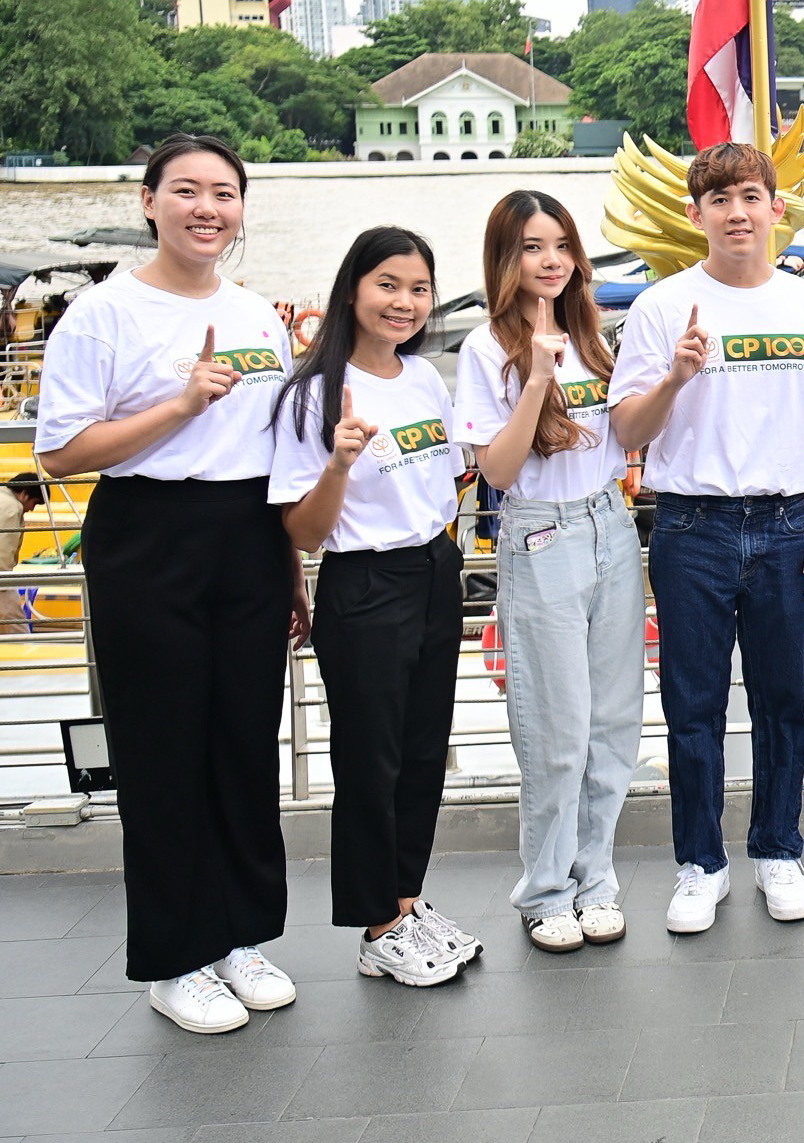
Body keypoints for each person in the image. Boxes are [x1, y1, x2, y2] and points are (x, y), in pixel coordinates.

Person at [34, 134, 304, 1034]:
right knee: (161, 750)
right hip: (149, 533)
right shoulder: (102, 314)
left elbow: (271, 445)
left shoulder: (257, 313)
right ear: (148, 201)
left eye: (224, 193)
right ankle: (174, 956)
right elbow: (62, 452)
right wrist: (181, 403)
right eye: (185, 190)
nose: (206, 209)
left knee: (242, 741)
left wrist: (289, 563)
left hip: (248, 531)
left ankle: (238, 935)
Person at [609, 143, 804, 934]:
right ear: (696, 215)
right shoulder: (661, 308)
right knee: (693, 705)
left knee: (784, 702)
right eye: (719, 200)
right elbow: (627, 430)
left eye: (751, 196)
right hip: (693, 526)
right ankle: (700, 863)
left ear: (775, 208)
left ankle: (778, 849)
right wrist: (676, 377)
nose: (737, 212)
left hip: (786, 524)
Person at [271, 226, 476, 988]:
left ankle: (406, 900)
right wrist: (339, 462)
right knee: (370, 760)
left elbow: (451, 474)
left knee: (422, 751)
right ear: (352, 288)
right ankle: (377, 925)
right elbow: (303, 530)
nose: (405, 302)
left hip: (433, 569)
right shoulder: (312, 393)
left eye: (419, 288)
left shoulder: (422, 376)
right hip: (363, 582)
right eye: (388, 284)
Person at [455, 190, 641, 954]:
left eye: (562, 244)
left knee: (613, 725)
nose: (552, 260)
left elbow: (625, 439)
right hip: (539, 533)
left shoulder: (594, 335)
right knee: (556, 730)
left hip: (610, 526)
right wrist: (535, 378)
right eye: (533, 246)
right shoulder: (483, 348)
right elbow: (496, 471)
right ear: (506, 256)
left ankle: (595, 878)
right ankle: (545, 889)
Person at [0, 473, 42, 631]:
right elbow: (2, 549)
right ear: (25, 494)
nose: (31, 509)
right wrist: (4, 583)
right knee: (17, 629)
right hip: (2, 580)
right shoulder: (11, 507)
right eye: (34, 503)